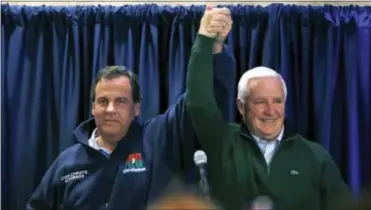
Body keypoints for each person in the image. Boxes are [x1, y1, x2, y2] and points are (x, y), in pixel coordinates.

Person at [26, 17, 235, 210]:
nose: (110, 109)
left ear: (136, 108)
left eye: (120, 101)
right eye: (102, 101)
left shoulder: (159, 138)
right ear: (93, 108)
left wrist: (211, 49)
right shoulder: (67, 162)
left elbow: (201, 102)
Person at [185, 5, 353, 210]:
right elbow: (199, 102)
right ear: (241, 106)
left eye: (277, 101)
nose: (270, 110)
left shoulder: (314, 156)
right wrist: (205, 40)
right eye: (260, 102)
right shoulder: (222, 142)